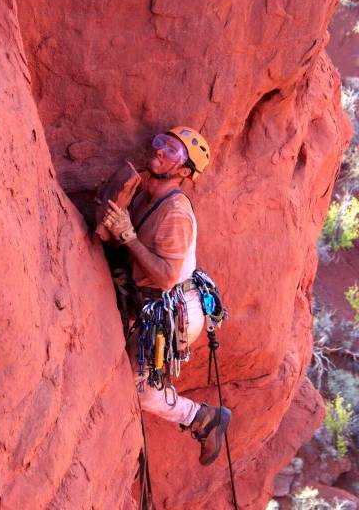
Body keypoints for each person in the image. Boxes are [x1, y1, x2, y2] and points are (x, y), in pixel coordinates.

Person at [101, 126, 231, 466]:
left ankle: (202, 417)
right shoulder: (148, 193)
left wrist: (127, 236)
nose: (159, 152)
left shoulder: (175, 213)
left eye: (171, 152)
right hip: (157, 301)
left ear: (184, 172)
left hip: (174, 309)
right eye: (162, 144)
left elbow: (165, 275)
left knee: (141, 390)